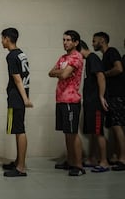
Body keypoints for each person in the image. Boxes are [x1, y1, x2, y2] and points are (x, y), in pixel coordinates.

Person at [48, 30, 85, 176]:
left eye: (68, 40)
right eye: (64, 40)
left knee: (73, 133)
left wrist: (61, 72)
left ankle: (79, 165)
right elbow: (51, 72)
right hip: (60, 99)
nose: (65, 42)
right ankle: (70, 161)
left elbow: (62, 74)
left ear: (76, 42)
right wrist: (61, 71)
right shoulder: (63, 58)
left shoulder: (77, 57)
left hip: (71, 100)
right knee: (66, 133)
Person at [1, 28, 33, 177]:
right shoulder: (21, 53)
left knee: (19, 130)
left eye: (2, 38)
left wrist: (25, 99)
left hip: (17, 97)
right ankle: (18, 161)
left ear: (7, 39)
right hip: (20, 96)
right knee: (17, 129)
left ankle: (21, 167)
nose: (1, 41)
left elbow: (17, 78)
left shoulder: (11, 56)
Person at [92, 31, 125, 171]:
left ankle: (123, 159)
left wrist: (103, 75)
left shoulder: (111, 51)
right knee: (114, 126)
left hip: (117, 95)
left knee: (118, 126)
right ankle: (117, 157)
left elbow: (118, 68)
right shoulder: (105, 56)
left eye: (95, 41)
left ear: (102, 40)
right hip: (111, 95)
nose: (93, 43)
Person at [78, 40, 110, 173]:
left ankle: (104, 162)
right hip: (90, 102)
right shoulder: (89, 60)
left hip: (96, 103)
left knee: (98, 131)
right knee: (93, 131)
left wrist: (101, 97)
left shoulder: (93, 58)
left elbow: (101, 76)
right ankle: (92, 158)